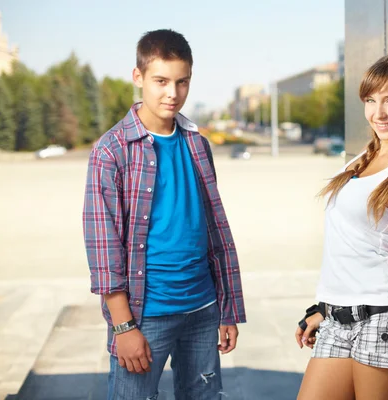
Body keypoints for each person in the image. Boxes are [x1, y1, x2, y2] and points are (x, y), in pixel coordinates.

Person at [83, 29, 245, 400]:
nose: (172, 93)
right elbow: (103, 247)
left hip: (203, 309)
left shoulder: (198, 144)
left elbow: (216, 231)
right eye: (161, 81)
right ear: (138, 77)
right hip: (145, 314)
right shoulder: (112, 151)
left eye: (182, 82)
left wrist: (228, 309)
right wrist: (123, 327)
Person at [295, 52, 388, 400]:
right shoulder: (364, 157)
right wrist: (323, 309)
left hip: (383, 322)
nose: (379, 113)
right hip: (336, 321)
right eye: (371, 100)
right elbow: (349, 243)